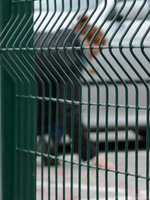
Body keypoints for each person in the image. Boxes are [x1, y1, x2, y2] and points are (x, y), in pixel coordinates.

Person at [34, 17, 111, 169]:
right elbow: (70, 111)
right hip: (38, 107)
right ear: (87, 41)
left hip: (15, 110)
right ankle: (49, 139)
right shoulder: (70, 57)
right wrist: (91, 154)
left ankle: (38, 142)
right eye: (93, 54)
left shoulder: (52, 39)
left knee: (53, 99)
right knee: (64, 109)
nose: (91, 59)